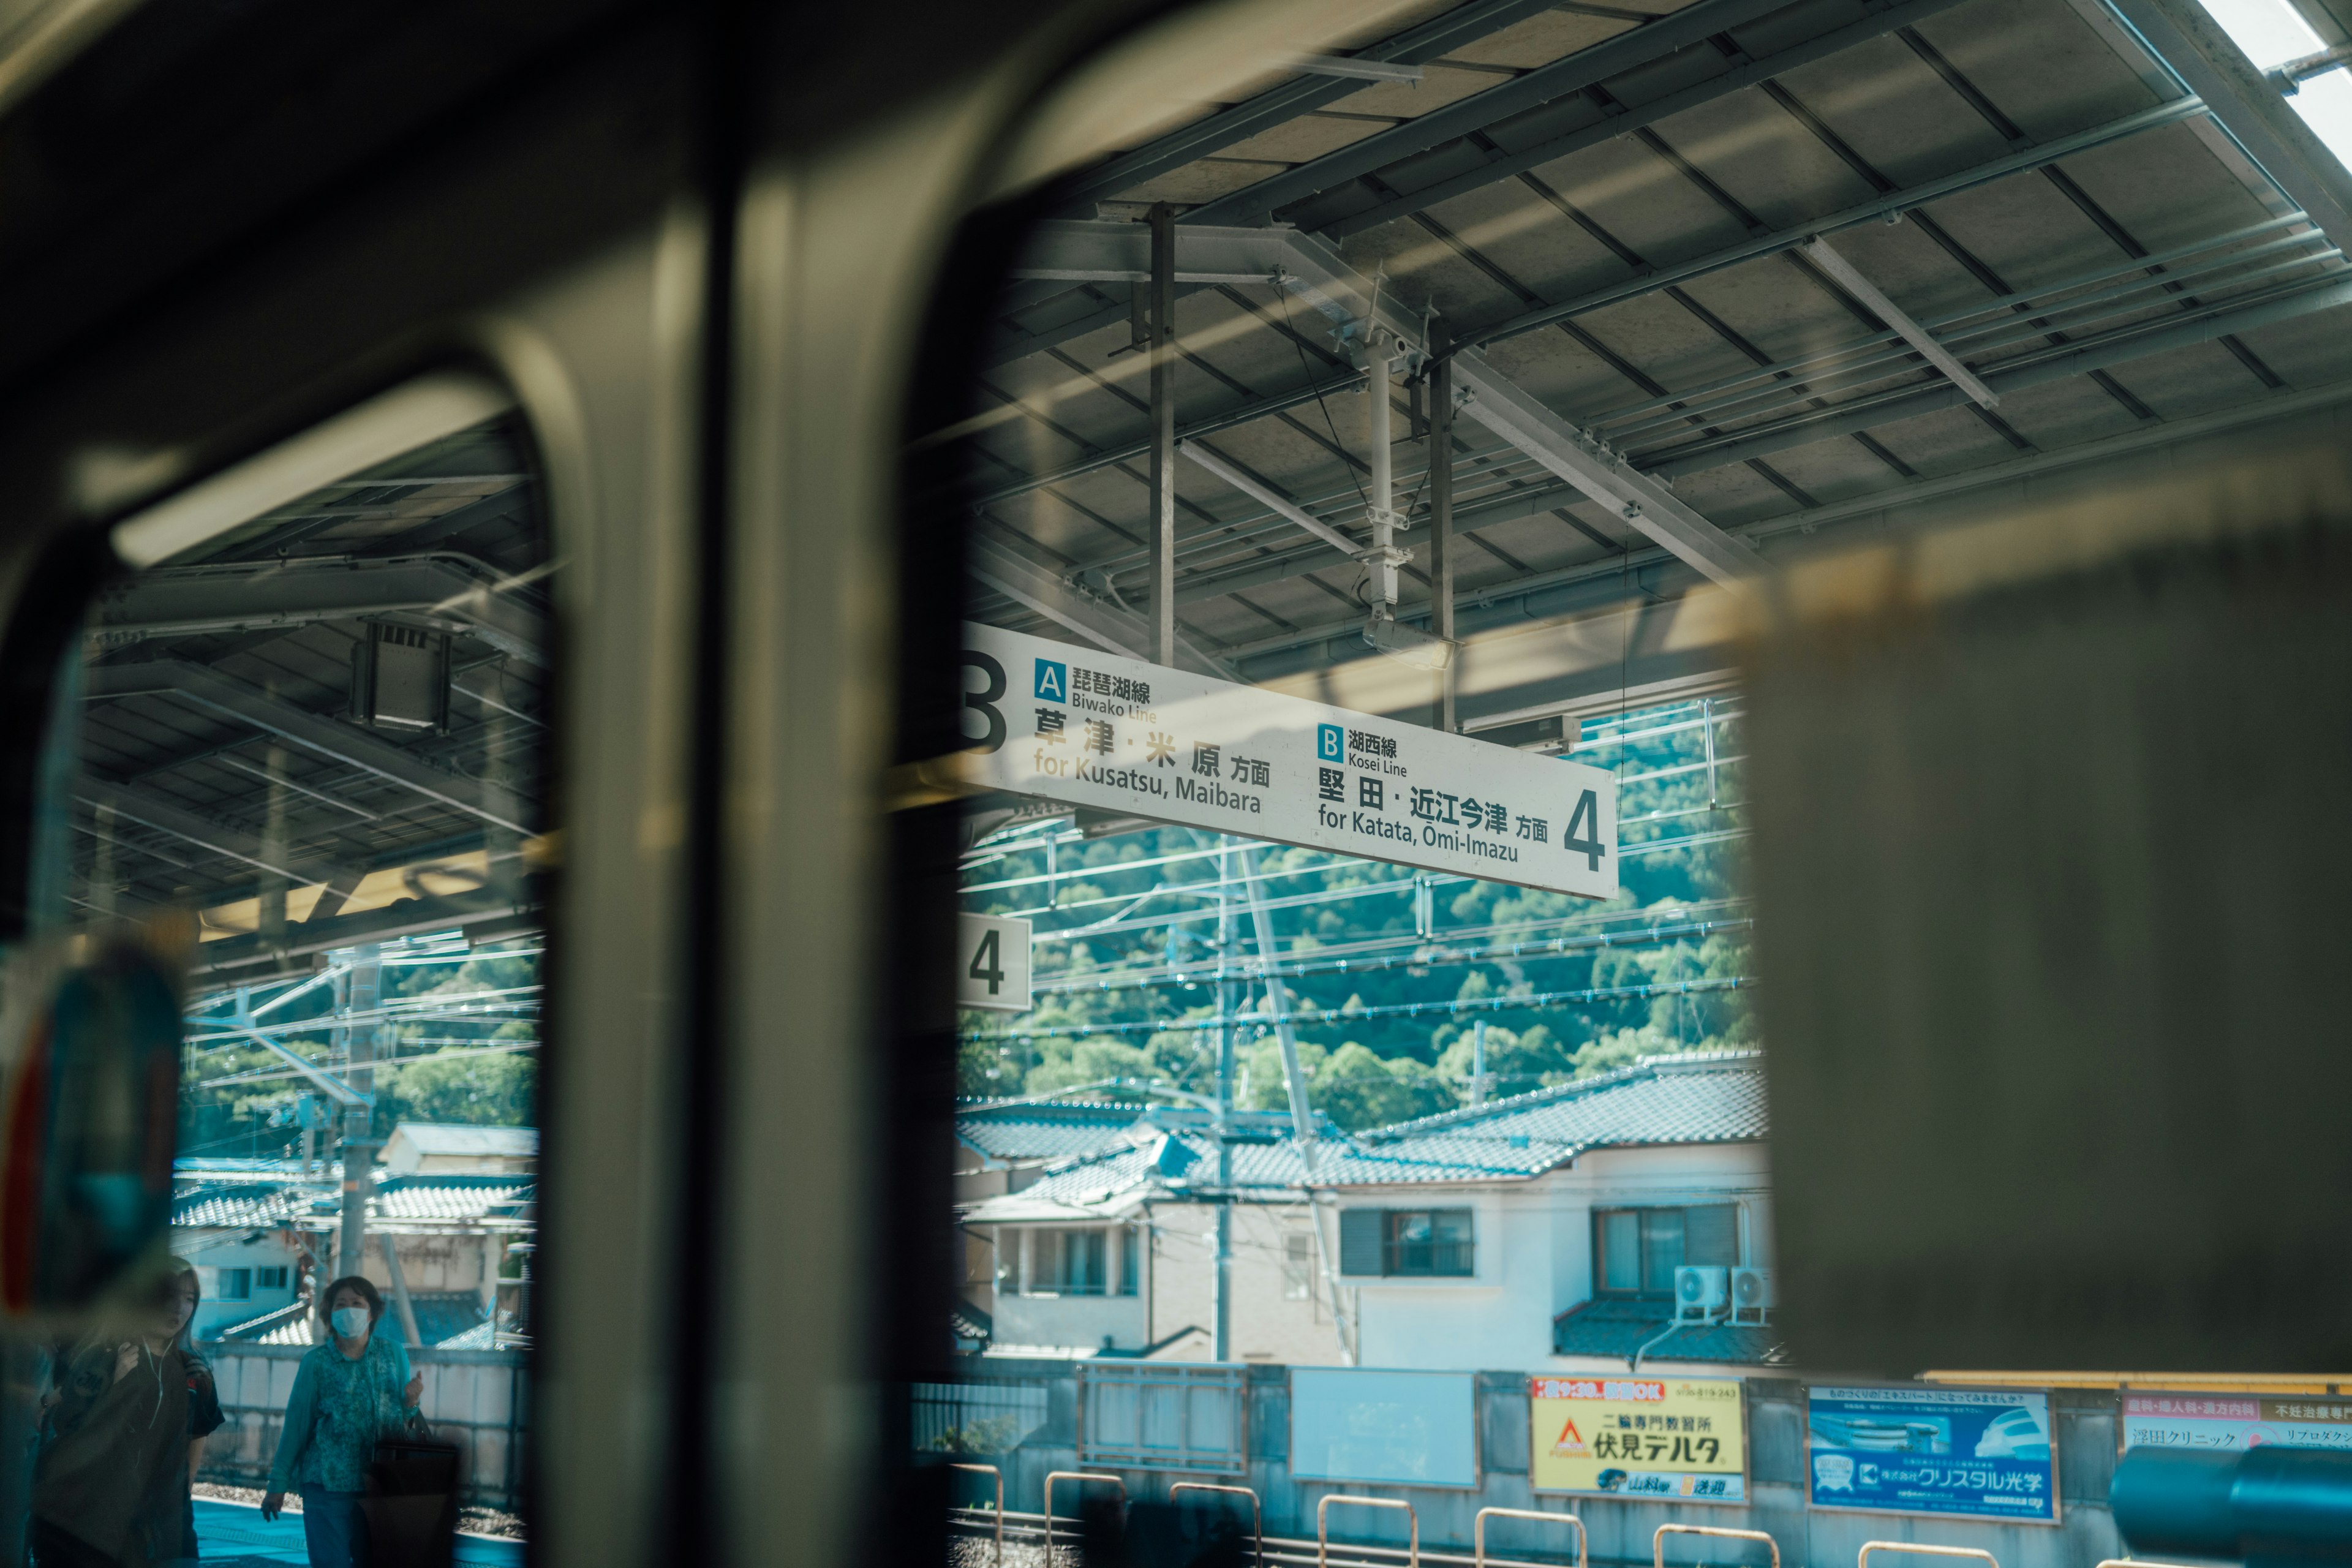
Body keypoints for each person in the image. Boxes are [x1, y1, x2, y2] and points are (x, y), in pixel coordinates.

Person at [32, 1256, 221, 1567]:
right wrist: (114, 1387)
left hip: (165, 1518)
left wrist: (180, 1491)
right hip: (92, 1512)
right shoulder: (105, 1355)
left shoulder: (193, 1369)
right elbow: (69, 1424)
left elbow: (197, 1434)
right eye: (168, 1296)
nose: (178, 1308)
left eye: (189, 1299)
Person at [260, 1278, 423, 1568]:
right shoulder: (316, 1362)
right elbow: (297, 1426)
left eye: (358, 1304)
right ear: (330, 1314)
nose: (349, 1310)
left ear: (372, 1312)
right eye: (341, 1305)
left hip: (379, 1484)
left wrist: (411, 1404)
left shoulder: (393, 1354)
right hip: (326, 1485)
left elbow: (402, 1425)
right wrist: (277, 1484)